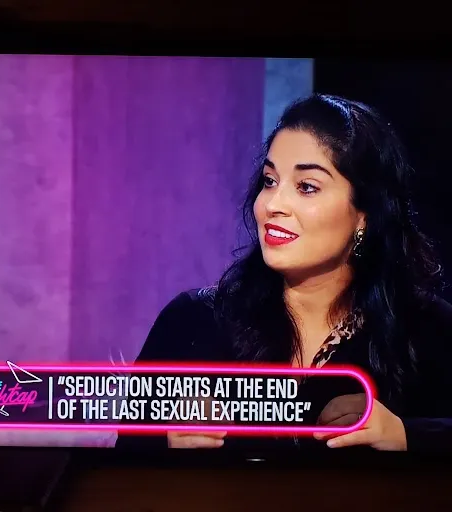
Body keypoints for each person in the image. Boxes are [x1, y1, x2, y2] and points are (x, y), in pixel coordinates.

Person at [115, 94, 452, 455]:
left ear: (364, 216)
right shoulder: (192, 323)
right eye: (270, 180)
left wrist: (405, 436)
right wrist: (166, 440)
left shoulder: (427, 330)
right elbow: (120, 464)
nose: (272, 205)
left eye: (306, 187)